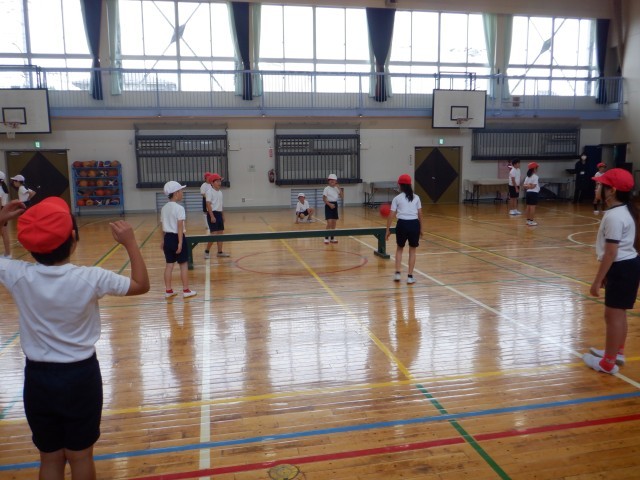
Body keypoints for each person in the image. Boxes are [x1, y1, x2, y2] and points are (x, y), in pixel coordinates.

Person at [0, 197, 150, 480]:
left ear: (30, 245)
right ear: (73, 238)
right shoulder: (91, 277)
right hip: (81, 377)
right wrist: (130, 243)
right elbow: (141, 285)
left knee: (49, 457)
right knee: (80, 455)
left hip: (38, 379)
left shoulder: (17, 274)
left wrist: (0, 220)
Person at [582, 168, 640, 374]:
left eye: (600, 185)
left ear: (612, 190)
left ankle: (608, 363)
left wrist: (597, 280)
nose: (597, 188)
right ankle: (616, 352)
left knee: (612, 316)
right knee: (619, 314)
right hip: (628, 266)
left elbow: (611, 253)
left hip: (621, 268)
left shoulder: (615, 216)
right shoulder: (625, 211)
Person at [161, 181, 197, 299]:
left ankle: (168, 290)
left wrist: (163, 240)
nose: (182, 193)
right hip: (177, 238)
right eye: (181, 191)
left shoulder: (164, 208)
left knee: (169, 265)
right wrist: (180, 242)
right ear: (176, 193)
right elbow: (179, 226)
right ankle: (186, 290)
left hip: (167, 238)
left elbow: (163, 226)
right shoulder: (179, 208)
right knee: (183, 265)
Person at [385, 174, 423, 285]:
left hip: (402, 224)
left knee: (399, 249)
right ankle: (410, 277)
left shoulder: (397, 198)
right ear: (410, 185)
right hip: (414, 224)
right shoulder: (416, 197)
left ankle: (397, 274)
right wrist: (421, 228)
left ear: (400, 185)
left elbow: (391, 215)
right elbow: (420, 214)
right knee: (412, 251)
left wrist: (387, 230)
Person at [204, 173, 230, 258]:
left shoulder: (220, 193)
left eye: (220, 181)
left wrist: (222, 215)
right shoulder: (209, 192)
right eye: (217, 181)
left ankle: (220, 252)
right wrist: (212, 216)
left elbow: (221, 205)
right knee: (214, 234)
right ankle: (207, 251)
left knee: (220, 234)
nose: (219, 183)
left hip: (219, 214)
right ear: (212, 183)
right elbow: (208, 204)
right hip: (212, 213)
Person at [323, 173, 343, 244]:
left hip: (335, 205)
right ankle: (326, 238)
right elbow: (324, 199)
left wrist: (339, 188)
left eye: (333, 180)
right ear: (328, 181)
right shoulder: (326, 188)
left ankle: (332, 238)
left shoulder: (336, 189)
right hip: (328, 205)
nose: (332, 181)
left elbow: (342, 196)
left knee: (334, 222)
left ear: (336, 181)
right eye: (330, 180)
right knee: (329, 222)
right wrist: (329, 204)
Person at [523, 162, 540, 226]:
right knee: (532, 208)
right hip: (534, 193)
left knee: (528, 207)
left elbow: (525, 186)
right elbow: (533, 186)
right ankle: (531, 221)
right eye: (536, 168)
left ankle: (528, 221)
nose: (537, 169)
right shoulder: (535, 177)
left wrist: (528, 185)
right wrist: (530, 185)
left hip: (528, 193)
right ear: (534, 169)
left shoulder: (527, 177)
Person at [0, 171, 11, 257]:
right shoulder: (3, 187)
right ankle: (7, 254)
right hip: (4, 210)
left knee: (4, 233)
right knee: (4, 233)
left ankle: (7, 254)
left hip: (1, 211)